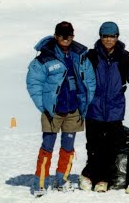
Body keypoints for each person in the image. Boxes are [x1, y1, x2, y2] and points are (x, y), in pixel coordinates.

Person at [80, 21, 129, 193]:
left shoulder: (124, 57)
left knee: (111, 147)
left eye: (112, 36)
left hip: (115, 111)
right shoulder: (91, 56)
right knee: (93, 146)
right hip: (93, 109)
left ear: (117, 37)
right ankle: (89, 175)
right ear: (100, 37)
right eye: (105, 36)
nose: (108, 40)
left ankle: (103, 179)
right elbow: (79, 79)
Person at [26, 21, 96, 197]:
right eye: (62, 35)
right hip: (53, 112)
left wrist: (84, 104)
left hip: (74, 110)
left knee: (68, 146)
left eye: (69, 35)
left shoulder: (80, 56)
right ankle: (39, 182)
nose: (66, 38)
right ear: (56, 36)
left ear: (73, 36)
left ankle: (61, 180)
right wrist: (44, 106)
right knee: (47, 146)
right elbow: (34, 83)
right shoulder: (45, 57)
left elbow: (90, 81)